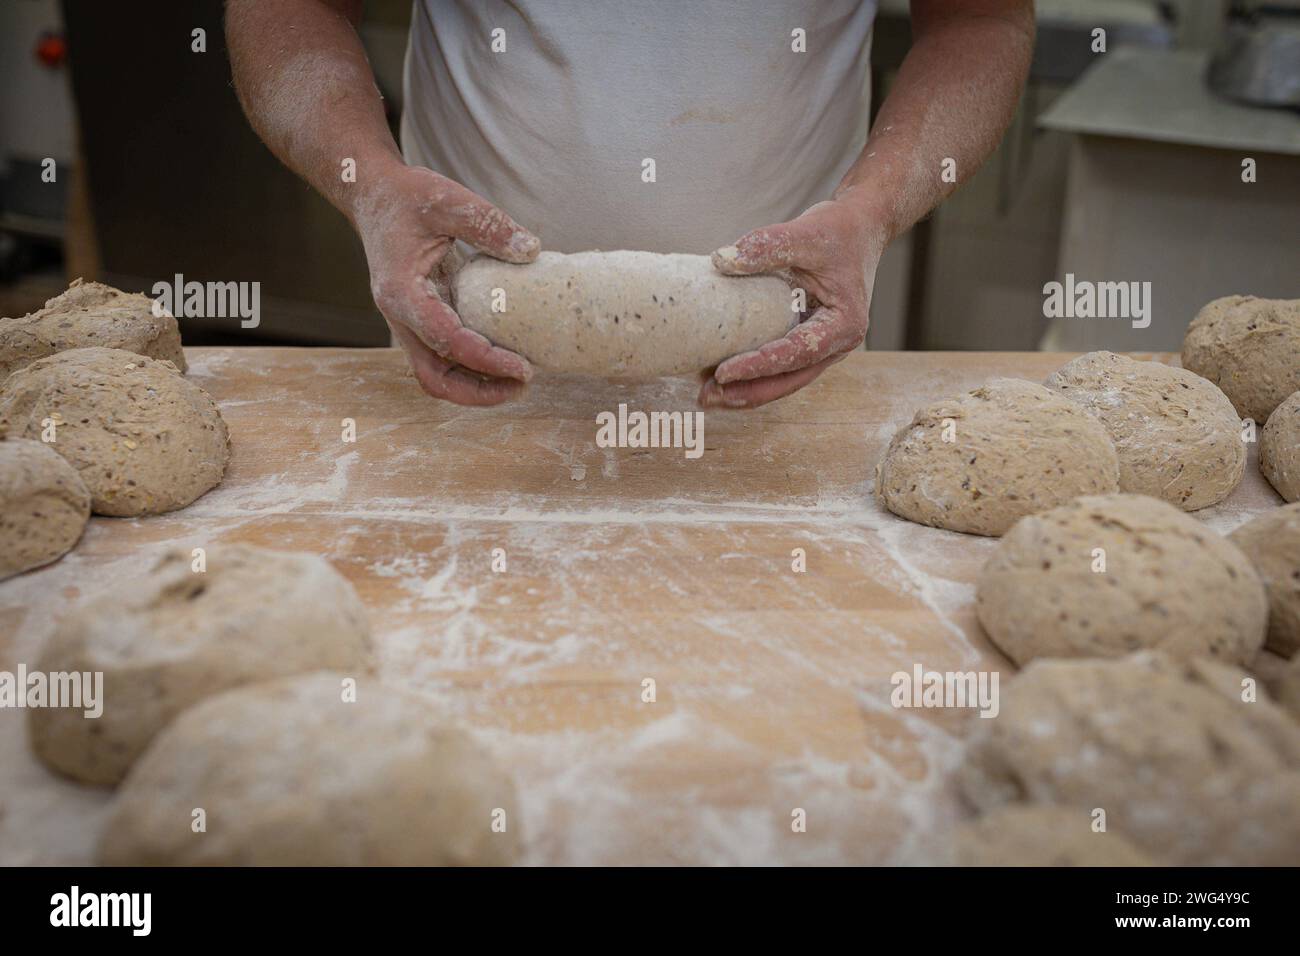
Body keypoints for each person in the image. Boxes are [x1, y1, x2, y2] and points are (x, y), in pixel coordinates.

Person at [227, 0, 1032, 408]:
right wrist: (368, 182)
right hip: (460, 355)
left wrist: (873, 210)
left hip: (787, 363)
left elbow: (979, 16)